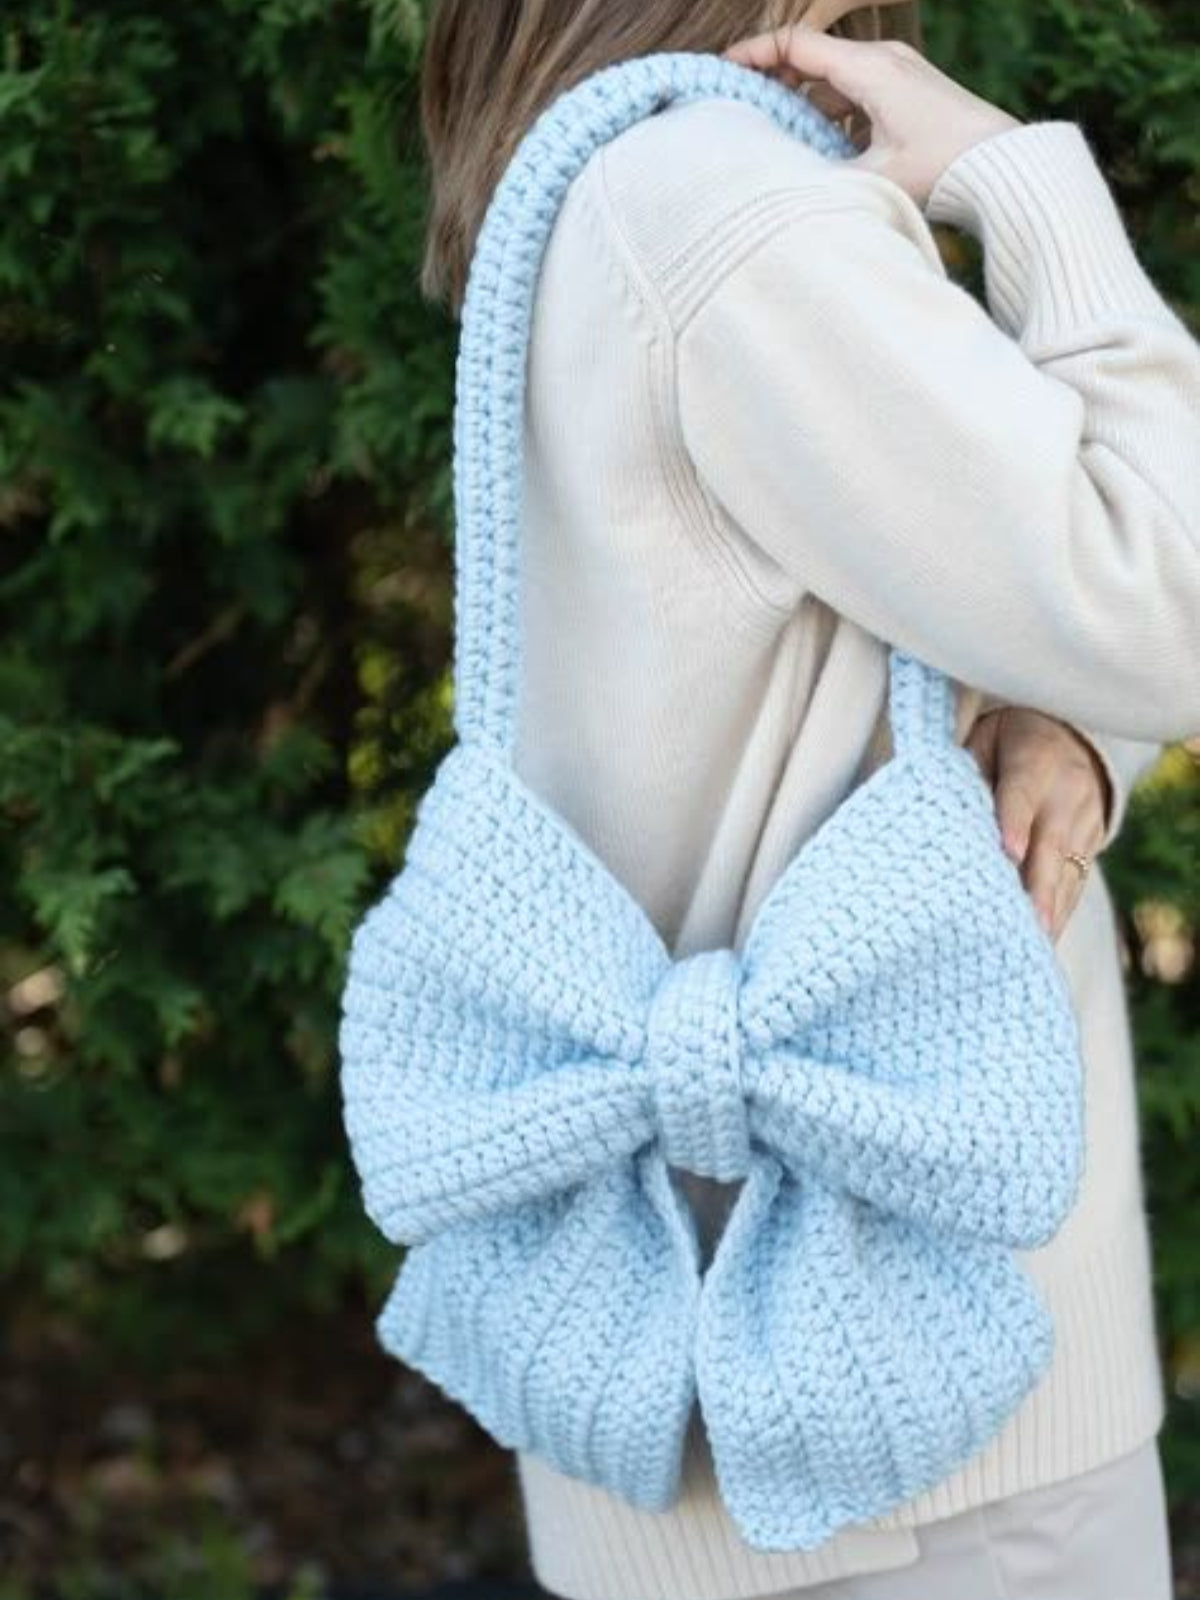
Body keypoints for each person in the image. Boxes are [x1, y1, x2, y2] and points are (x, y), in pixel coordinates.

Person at [415, 2, 1200, 1595]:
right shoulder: (738, 212)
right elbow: (1172, 598)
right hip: (929, 1423)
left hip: (686, 1381)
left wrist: (1071, 729)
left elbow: (944, 613)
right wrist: (1023, 185)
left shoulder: (605, 183)